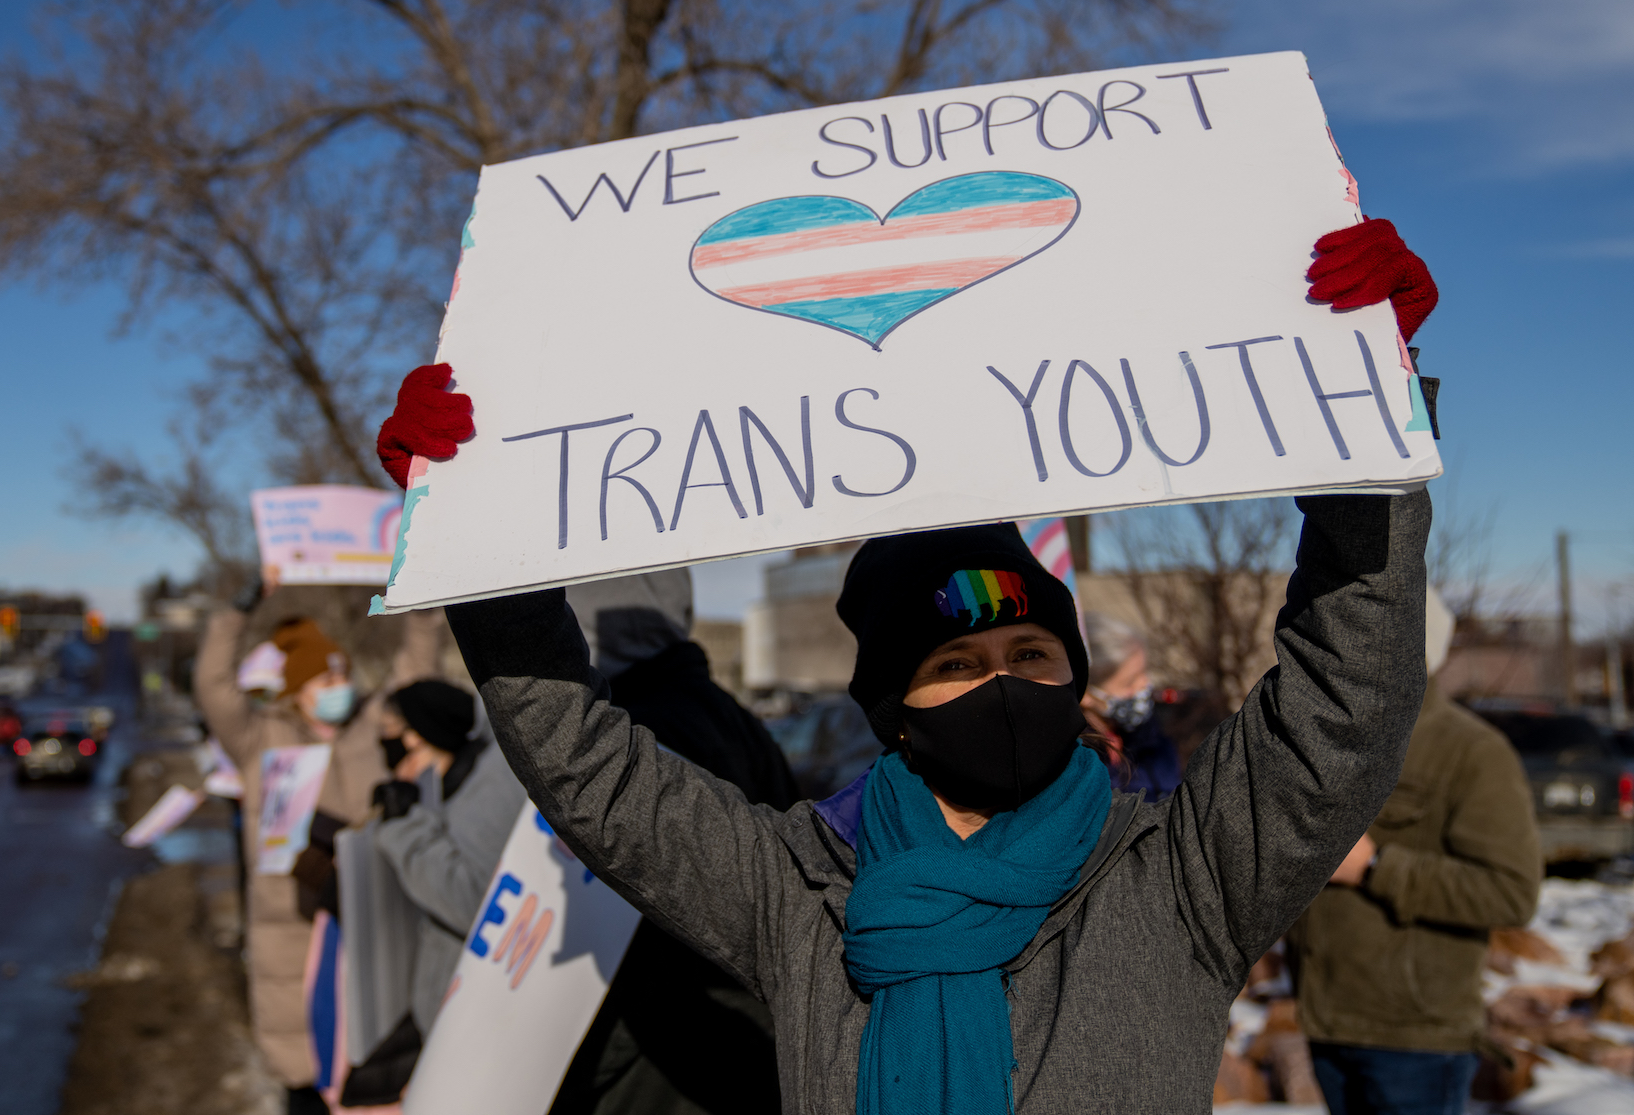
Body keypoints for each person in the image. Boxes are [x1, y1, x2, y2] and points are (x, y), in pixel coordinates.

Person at [374, 216, 1439, 1112]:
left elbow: (1338, 698)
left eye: (1030, 651)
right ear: (896, 711)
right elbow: (586, 768)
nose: (1005, 683)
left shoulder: (1184, 870)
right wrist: (482, 545)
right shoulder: (794, 891)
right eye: (958, 662)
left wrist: (1363, 446)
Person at [549, 572, 798, 1115]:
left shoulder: (627, 735)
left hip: (668, 1052)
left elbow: (636, 944)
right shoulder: (732, 717)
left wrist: (576, 1070)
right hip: (745, 1036)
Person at [1286, 587, 1542, 1115]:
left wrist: (1376, 867)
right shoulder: (1320, 738)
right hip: (1326, 1018)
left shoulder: (1471, 751)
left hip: (1416, 1039)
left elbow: (1511, 892)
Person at [196, 610, 361, 1111]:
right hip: (290, 932)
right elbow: (213, 686)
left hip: (361, 927)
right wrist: (234, 617)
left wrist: (422, 617)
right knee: (305, 1076)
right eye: (326, 678)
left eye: (343, 675)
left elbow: (416, 673)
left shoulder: (366, 733)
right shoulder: (261, 737)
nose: (339, 687)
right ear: (299, 687)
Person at [338, 678, 528, 1106]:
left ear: (426, 736)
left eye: (405, 747)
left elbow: (473, 902)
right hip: (453, 1014)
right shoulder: (458, 780)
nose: (399, 763)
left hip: (480, 1023)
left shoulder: (489, 790)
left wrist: (405, 830)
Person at [1079, 614, 1181, 800]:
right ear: (1086, 693)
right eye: (1129, 683)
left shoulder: (1155, 743)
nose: (1144, 686)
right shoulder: (1076, 760)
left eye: (1144, 673)